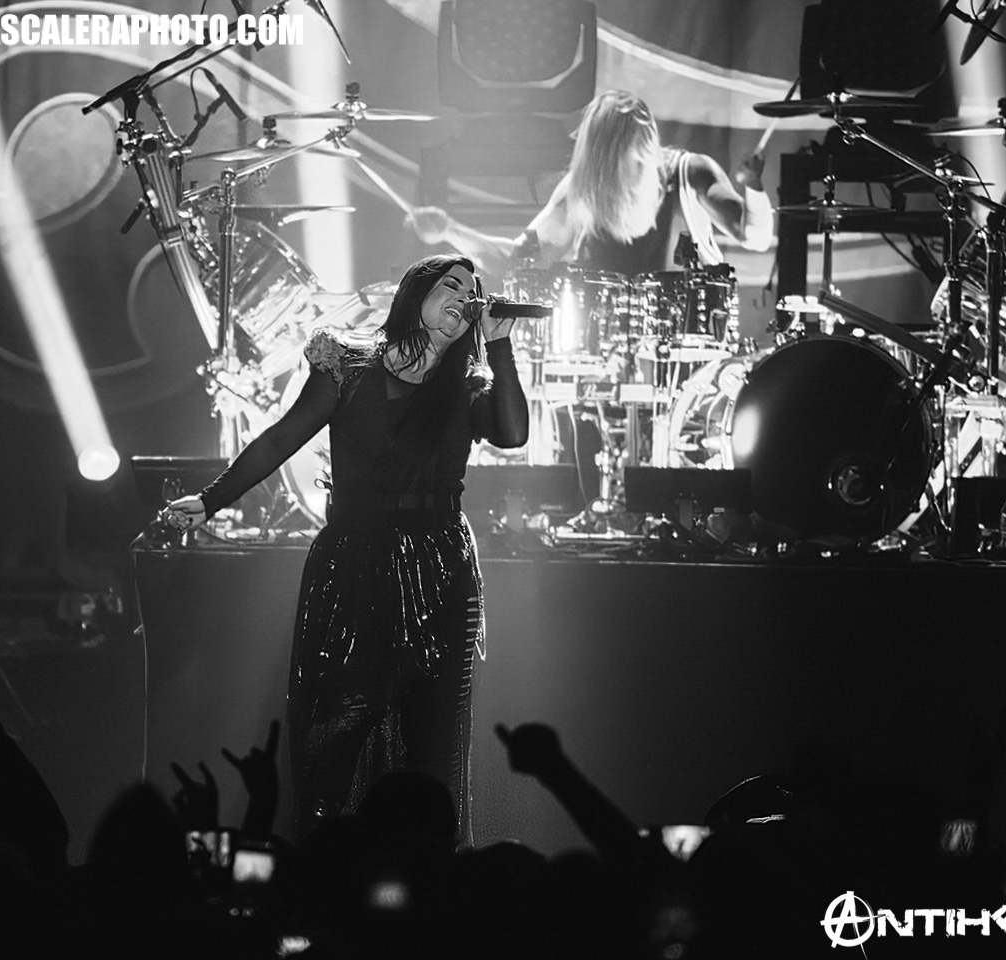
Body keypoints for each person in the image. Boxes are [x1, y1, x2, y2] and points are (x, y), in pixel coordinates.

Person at [162, 255, 529, 843]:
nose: (466, 297)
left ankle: (427, 866)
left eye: (474, 291)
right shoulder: (349, 365)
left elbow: (512, 434)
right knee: (332, 730)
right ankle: (321, 863)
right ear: (416, 294)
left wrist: (500, 345)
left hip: (440, 565)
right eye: (452, 285)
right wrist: (211, 500)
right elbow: (281, 437)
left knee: (432, 737)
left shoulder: (467, 386)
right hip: (354, 561)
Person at [405, 89, 774, 278]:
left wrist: (753, 187)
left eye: (617, 161)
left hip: (695, 343)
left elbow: (755, 238)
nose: (607, 176)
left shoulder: (691, 173)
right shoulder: (580, 188)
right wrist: (450, 230)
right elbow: (517, 260)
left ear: (644, 149)